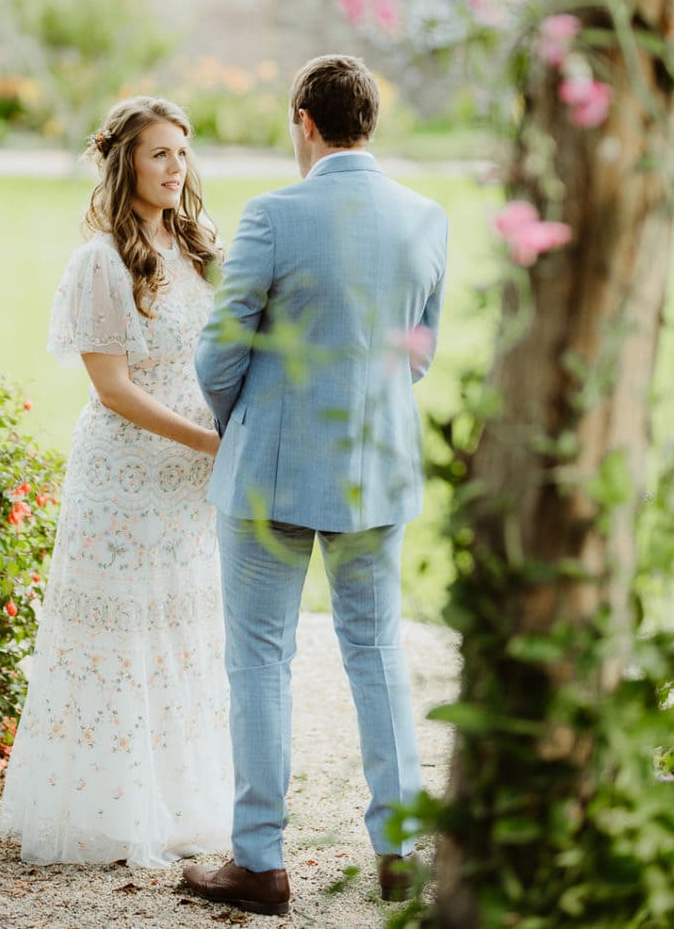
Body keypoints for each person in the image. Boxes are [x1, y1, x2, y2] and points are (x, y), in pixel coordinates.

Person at [184, 54, 448, 914]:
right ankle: (401, 850)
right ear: (368, 120)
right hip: (376, 469)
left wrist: (245, 422)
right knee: (376, 653)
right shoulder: (426, 218)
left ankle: (260, 861)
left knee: (261, 659)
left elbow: (219, 353)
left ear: (304, 119)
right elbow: (419, 350)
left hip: (269, 474)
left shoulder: (272, 214)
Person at [0, 96, 232, 868]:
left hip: (190, 483)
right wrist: (207, 439)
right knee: (120, 634)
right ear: (125, 161)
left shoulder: (196, 246)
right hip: (126, 476)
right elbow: (114, 388)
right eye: (160, 153)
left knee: (179, 633)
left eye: (183, 153)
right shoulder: (100, 260)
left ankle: (178, 803)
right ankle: (106, 811)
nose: (176, 168)